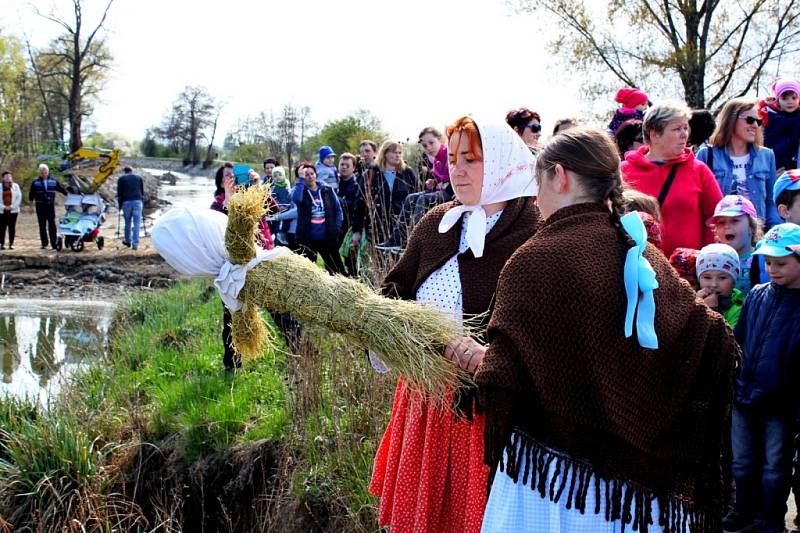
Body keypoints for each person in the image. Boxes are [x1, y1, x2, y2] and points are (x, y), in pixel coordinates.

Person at [477, 127, 737, 532]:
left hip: (555, 483)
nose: (535, 198)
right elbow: (712, 337)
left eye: (538, 183)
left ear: (559, 176)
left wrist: (470, 357)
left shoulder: (534, 259)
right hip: (633, 496)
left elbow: (502, 377)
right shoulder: (638, 249)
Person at [370, 115, 540, 533]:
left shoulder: (533, 233)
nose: (457, 169)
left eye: (472, 159)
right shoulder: (438, 223)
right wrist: (376, 325)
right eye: (454, 158)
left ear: (502, 163)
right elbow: (395, 291)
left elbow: (540, 330)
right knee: (422, 513)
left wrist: (491, 358)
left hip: (483, 408)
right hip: (425, 396)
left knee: (475, 517)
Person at [726, 223, 800, 533]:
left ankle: (769, 519)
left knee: (775, 466)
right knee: (742, 462)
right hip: (745, 395)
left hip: (780, 401)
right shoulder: (757, 295)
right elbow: (739, 341)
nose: (772, 269)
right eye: (768, 262)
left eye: (780, 263)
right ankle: (742, 510)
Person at [622, 101, 723, 256]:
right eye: (676, 129)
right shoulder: (624, 171)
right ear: (655, 134)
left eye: (685, 127)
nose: (684, 134)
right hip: (639, 268)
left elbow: (715, 218)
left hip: (688, 272)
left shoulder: (699, 170)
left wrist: (704, 258)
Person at [696, 97, 781, 230]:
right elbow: (698, 204)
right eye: (749, 120)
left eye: (758, 121)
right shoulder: (706, 155)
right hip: (720, 235)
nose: (755, 125)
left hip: (755, 237)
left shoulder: (766, 156)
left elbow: (771, 202)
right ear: (731, 119)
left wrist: (776, 232)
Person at [377, 127, 451, 251]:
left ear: (441, 140)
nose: (428, 148)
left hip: (450, 193)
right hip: (440, 191)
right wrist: (434, 181)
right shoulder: (435, 159)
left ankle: (413, 240)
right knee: (411, 198)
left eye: (431, 143)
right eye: (425, 146)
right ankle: (396, 239)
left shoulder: (449, 154)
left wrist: (441, 181)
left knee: (422, 199)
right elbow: (441, 178)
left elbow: (451, 176)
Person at [292, 162, 345, 274]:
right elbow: (296, 199)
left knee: (337, 270)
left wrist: (336, 228)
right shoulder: (300, 191)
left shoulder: (327, 190)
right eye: (306, 174)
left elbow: (338, 210)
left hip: (327, 237)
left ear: (316, 174)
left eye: (312, 173)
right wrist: (300, 180)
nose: (310, 176)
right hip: (307, 239)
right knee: (306, 273)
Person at [363, 141, 418, 245]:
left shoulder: (407, 172)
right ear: (385, 153)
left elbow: (417, 197)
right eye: (394, 152)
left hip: (403, 226)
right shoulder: (371, 173)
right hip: (378, 227)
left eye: (399, 152)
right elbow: (361, 201)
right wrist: (357, 229)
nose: (397, 155)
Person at [708, 195, 766, 293]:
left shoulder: (761, 259)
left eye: (735, 220)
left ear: (752, 227)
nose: (726, 226)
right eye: (721, 222)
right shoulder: (710, 259)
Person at [696, 243, 745, 328]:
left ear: (734, 281)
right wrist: (695, 308)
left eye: (722, 278)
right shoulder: (691, 301)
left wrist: (712, 311)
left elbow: (727, 339)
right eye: (707, 277)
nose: (714, 284)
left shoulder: (740, 308)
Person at [336, 153, 365, 277]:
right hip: (335, 226)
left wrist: (340, 201)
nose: (344, 167)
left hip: (349, 225)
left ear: (353, 168)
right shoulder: (333, 182)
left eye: (347, 165)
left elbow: (356, 204)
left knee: (350, 258)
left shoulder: (357, 184)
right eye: (342, 164)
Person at [762, 78, 800, 172]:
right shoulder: (770, 116)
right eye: (784, 98)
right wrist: (763, 103)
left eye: (793, 98)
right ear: (777, 99)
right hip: (774, 164)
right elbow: (753, 113)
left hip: (795, 166)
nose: (790, 101)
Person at [28, 163, 68, 250]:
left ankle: (54, 243)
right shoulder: (35, 183)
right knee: (42, 225)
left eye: (45, 172)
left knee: (52, 224)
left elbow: (62, 190)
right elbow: (31, 195)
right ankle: (44, 243)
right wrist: (30, 206)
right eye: (41, 172)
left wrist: (69, 194)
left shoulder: (53, 181)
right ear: (39, 173)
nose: (43, 173)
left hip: (50, 206)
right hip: (40, 206)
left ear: (47, 172)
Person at [117, 166, 145, 250]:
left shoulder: (121, 179)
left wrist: (119, 206)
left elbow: (119, 194)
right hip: (138, 202)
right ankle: (135, 243)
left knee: (127, 222)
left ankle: (127, 241)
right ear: (132, 171)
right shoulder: (139, 178)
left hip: (126, 202)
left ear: (124, 171)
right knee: (137, 223)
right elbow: (142, 192)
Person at [0, 170, 22, 250]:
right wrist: (3, 207)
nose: (8, 178)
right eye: (6, 176)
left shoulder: (16, 186)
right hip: (2, 211)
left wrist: (12, 206)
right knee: (2, 227)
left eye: (10, 176)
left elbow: (19, 198)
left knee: (11, 227)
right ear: (3, 178)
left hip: (13, 210)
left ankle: (11, 243)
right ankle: (1, 243)